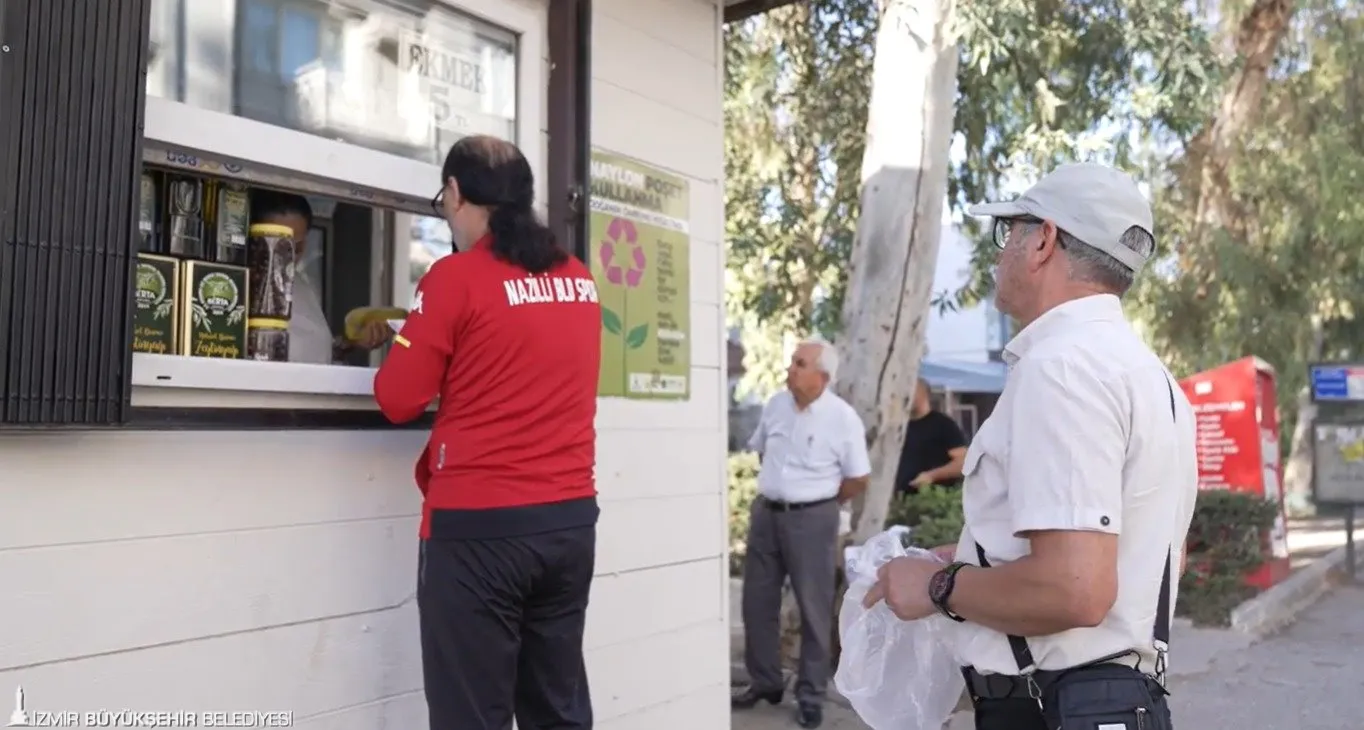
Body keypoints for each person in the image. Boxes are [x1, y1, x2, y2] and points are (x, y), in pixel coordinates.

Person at [863, 163, 1198, 730]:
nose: (999, 254)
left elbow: (1075, 590)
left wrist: (936, 586)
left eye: (1007, 233)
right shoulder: (1149, 375)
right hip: (1110, 701)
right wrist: (975, 557)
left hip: (1054, 707)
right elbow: (1151, 552)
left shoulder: (1061, 367)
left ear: (1042, 239)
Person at [373, 135, 601, 730]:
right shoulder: (578, 279)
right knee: (558, 712)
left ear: (453, 193)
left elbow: (397, 399)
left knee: (471, 718)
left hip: (481, 533)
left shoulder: (454, 279)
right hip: (569, 524)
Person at [732, 337, 871, 729]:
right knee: (757, 603)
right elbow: (761, 449)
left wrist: (823, 504)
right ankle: (765, 682)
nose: (789, 369)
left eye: (799, 363)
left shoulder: (842, 418)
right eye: (792, 362)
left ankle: (809, 694)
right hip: (767, 514)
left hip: (812, 519)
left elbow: (858, 478)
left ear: (822, 377)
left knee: (813, 609)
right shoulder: (776, 405)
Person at [248, 191, 389, 362]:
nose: (288, 256)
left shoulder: (302, 285)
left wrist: (350, 343)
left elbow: (316, 351)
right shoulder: (242, 286)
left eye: (297, 247)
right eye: (278, 245)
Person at [893, 377, 968, 492]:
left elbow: (963, 462)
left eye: (912, 390)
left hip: (932, 500)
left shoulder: (943, 424)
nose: (907, 394)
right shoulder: (897, 426)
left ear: (924, 393)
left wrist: (931, 475)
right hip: (899, 500)